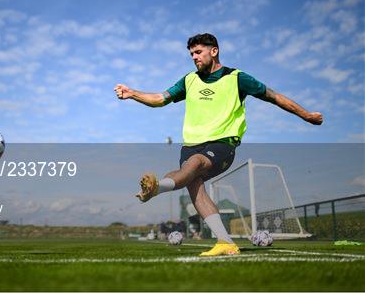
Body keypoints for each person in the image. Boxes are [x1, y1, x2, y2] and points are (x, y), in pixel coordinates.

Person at [114, 33, 323, 257]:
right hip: (190, 145)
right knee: (194, 187)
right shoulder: (189, 80)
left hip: (222, 144)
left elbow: (274, 96)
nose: (194, 57)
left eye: (198, 52)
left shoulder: (237, 78)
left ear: (214, 51)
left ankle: (156, 189)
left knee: (194, 165)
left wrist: (306, 115)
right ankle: (225, 242)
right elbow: (160, 98)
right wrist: (133, 93)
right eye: (191, 54)